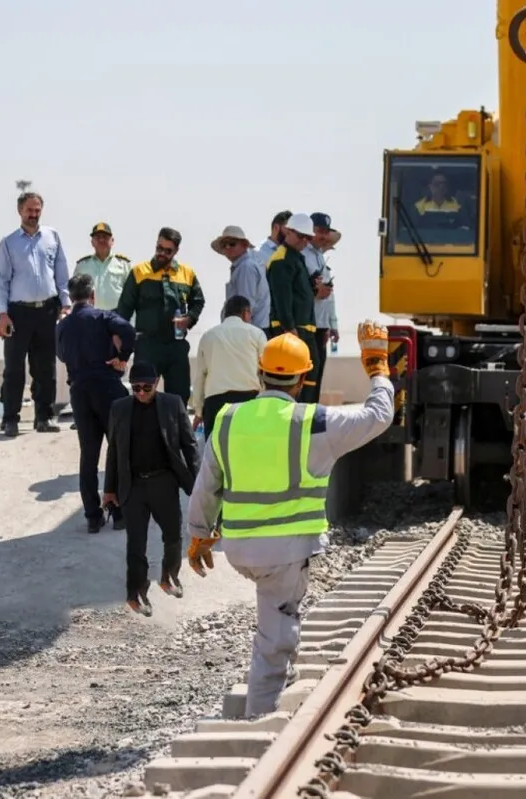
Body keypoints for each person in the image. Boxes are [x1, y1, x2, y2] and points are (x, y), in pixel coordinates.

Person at [184, 323, 395, 717]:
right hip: (283, 551)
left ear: (260, 375)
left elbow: (206, 485)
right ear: (304, 379)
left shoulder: (228, 418)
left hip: (239, 548)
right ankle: (259, 715)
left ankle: (282, 678)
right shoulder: (312, 422)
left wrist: (197, 535)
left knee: (281, 611)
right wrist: (378, 367)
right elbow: (378, 416)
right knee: (274, 635)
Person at [103, 362, 199, 615]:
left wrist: (197, 482)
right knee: (136, 544)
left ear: (156, 382)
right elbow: (113, 450)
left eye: (147, 387)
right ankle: (136, 591)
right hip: (133, 486)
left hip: (164, 481)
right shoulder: (119, 408)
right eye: (136, 388)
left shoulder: (172, 403)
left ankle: (169, 576)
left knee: (173, 536)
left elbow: (189, 445)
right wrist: (109, 489)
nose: (142, 392)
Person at [56, 274, 135, 533]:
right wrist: (121, 356)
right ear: (92, 295)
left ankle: (92, 515)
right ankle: (120, 511)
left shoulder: (63, 325)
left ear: (71, 296)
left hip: (79, 390)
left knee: (88, 454)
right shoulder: (103, 317)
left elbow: (61, 353)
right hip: (107, 386)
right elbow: (129, 331)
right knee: (119, 450)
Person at [0, 191, 70, 436]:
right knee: (14, 368)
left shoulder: (52, 237)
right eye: (29, 210)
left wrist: (65, 304)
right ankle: (11, 418)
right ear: (20, 211)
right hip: (18, 313)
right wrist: (2, 314)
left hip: (47, 311)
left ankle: (44, 417)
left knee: (45, 368)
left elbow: (61, 273)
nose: (33, 215)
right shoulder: (9, 242)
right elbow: (2, 281)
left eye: (37, 210)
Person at [115, 227, 205, 408]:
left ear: (176, 251)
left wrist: (189, 319)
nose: (162, 253)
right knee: (143, 396)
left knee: (179, 399)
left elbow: (198, 301)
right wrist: (121, 348)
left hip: (176, 346)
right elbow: (124, 311)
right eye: (159, 248)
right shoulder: (139, 272)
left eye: (167, 250)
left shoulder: (187, 273)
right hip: (147, 346)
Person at [191, 295, 267, 437]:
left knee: (215, 454)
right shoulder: (257, 334)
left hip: (215, 404)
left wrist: (199, 411)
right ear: (245, 312)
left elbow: (200, 376)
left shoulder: (208, 336)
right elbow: (265, 371)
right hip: (249, 401)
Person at [264, 213, 320, 401]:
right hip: (292, 331)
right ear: (288, 231)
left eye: (308, 237)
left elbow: (297, 293)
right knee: (296, 378)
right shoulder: (282, 259)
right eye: (300, 236)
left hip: (303, 328)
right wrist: (290, 330)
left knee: (310, 375)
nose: (304, 241)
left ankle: (307, 418)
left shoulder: (296, 258)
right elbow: (282, 298)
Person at [303, 213, 339, 396]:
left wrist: (331, 325)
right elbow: (300, 289)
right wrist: (317, 292)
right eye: (319, 231)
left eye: (325, 232)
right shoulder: (303, 255)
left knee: (317, 376)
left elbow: (329, 295)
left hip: (320, 326)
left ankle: (311, 417)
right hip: (306, 325)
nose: (323, 236)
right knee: (308, 377)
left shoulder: (319, 257)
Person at [212, 225, 270, 334]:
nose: (227, 247)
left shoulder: (245, 267)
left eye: (232, 244)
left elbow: (245, 306)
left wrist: (240, 335)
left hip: (248, 332)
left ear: (244, 245)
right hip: (249, 331)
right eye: (224, 245)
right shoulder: (242, 266)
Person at [72, 223, 132, 311]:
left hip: (116, 315)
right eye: (97, 237)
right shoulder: (82, 265)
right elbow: (74, 294)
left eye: (105, 237)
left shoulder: (124, 264)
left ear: (112, 241)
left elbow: (131, 294)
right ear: (92, 242)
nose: (101, 240)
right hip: (90, 316)